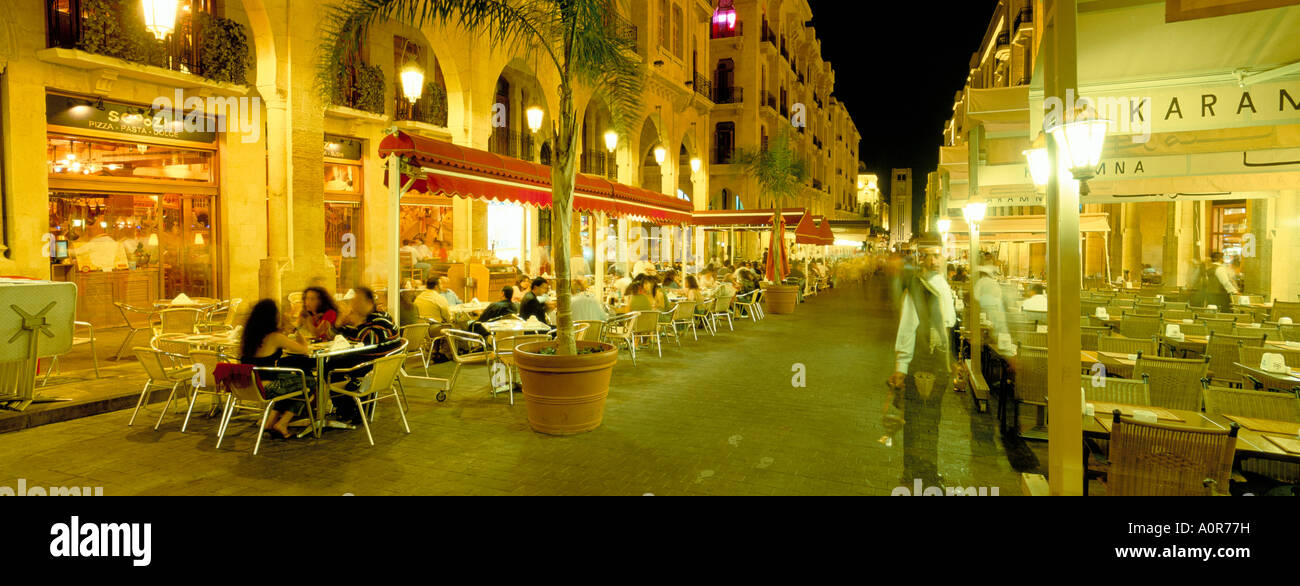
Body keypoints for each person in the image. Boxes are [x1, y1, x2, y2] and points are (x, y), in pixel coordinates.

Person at [887, 234, 956, 486]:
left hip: (938, 367)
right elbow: (907, 330)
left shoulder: (943, 286)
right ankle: (917, 474)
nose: (933, 260)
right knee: (918, 422)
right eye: (928, 256)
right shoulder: (917, 289)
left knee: (930, 422)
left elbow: (948, 324)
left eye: (937, 255)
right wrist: (901, 368)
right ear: (921, 259)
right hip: (922, 367)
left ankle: (926, 470)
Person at [240, 299, 315, 439]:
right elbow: (305, 349)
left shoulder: (248, 336)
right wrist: (295, 329)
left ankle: (270, 421)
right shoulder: (275, 337)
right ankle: (282, 423)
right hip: (267, 387)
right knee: (308, 382)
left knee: (292, 384)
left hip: (247, 386)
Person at [330, 287, 399, 424]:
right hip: (373, 363)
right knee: (332, 364)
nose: (353, 304)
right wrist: (340, 324)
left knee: (330, 368)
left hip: (375, 366)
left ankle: (347, 409)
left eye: (357, 300)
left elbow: (368, 341)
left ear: (368, 302)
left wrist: (356, 323)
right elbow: (347, 338)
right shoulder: (365, 320)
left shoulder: (380, 318)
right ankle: (349, 405)